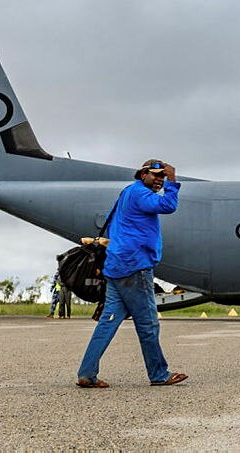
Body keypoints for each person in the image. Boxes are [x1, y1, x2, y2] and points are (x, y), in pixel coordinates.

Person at [76, 159, 187, 388]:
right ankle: (159, 374)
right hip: (135, 266)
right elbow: (168, 206)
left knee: (108, 322)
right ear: (142, 174)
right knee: (148, 323)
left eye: (162, 177)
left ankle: (87, 372)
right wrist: (174, 181)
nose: (160, 179)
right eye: (155, 175)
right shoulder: (140, 194)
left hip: (117, 266)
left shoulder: (128, 193)